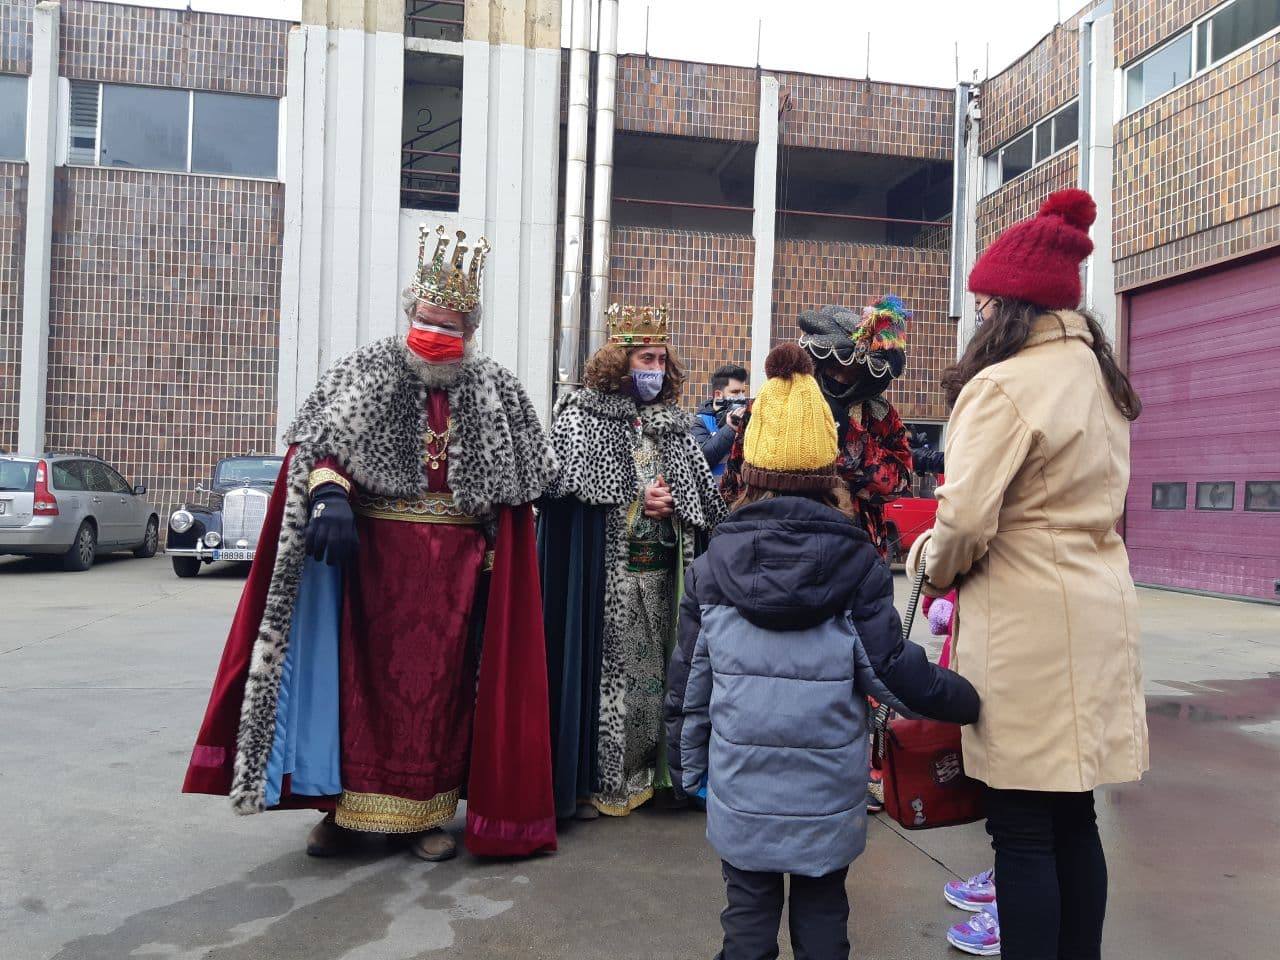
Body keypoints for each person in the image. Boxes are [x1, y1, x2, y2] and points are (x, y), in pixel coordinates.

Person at [183, 225, 561, 862]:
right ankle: (341, 812)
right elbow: (320, 443)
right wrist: (328, 492)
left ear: (470, 331)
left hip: (459, 576)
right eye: (427, 320)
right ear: (410, 313)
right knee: (356, 688)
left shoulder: (497, 389)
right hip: (369, 563)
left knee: (440, 698)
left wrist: (502, 552)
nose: (435, 334)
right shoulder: (366, 370)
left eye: (451, 326)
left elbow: (526, 481)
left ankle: (424, 816)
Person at [666, 342, 979, 960]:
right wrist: (966, 699)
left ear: (749, 465)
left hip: (741, 790)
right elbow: (891, 671)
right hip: (827, 797)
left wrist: (688, 772)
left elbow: (690, 683)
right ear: (828, 470)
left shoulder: (711, 568)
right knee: (822, 914)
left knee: (747, 916)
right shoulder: (857, 563)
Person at [909, 189, 1148, 960]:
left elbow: (965, 524)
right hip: (1097, 613)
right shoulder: (1099, 376)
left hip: (1027, 630)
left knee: (1019, 827)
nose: (978, 319)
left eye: (983, 306)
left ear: (1008, 308)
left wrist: (924, 562)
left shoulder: (1004, 386)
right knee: (1073, 817)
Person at [539, 303, 727, 820]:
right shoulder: (580, 417)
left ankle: (657, 774)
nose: (656, 371)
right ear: (620, 359)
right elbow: (566, 500)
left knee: (658, 682)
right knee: (610, 688)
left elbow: (703, 505)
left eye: (662, 360)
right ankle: (600, 780)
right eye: (647, 358)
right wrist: (632, 505)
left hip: (663, 578)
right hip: (606, 585)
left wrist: (674, 512)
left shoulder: (672, 428)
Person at [721, 297, 914, 562]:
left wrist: (850, 438)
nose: (841, 378)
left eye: (853, 371)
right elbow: (733, 484)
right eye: (835, 367)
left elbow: (899, 484)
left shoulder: (879, 415)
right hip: (775, 544)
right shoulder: (772, 402)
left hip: (856, 552)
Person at [692, 363, 750, 476]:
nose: (742, 398)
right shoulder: (699, 422)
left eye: (743, 392)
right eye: (735, 392)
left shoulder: (746, 420)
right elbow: (699, 461)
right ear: (718, 395)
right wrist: (730, 429)